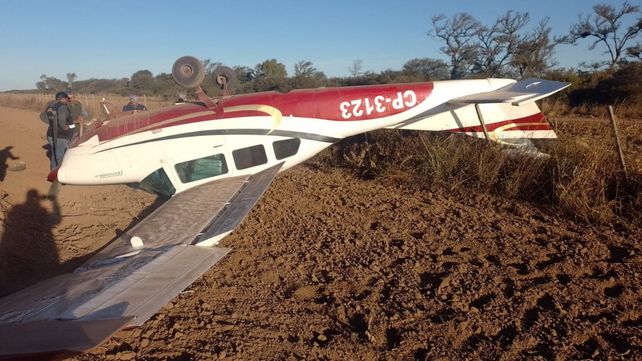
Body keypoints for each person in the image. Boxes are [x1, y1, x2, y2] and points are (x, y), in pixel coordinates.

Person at [45, 91, 75, 170]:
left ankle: (53, 172)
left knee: (54, 155)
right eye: (67, 99)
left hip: (51, 135)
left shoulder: (51, 106)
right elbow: (63, 125)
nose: (68, 100)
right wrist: (71, 125)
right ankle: (59, 176)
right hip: (60, 136)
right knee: (60, 157)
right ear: (63, 99)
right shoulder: (62, 107)